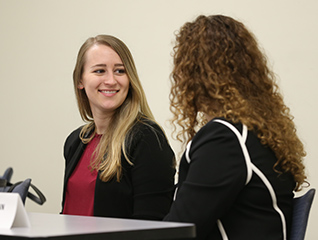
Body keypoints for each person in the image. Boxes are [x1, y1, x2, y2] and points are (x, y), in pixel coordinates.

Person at [164, 15, 307, 240]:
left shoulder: (225, 139)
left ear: (196, 73)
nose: (178, 76)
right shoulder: (256, 132)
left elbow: (180, 230)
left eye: (182, 66)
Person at [61, 35, 175, 220]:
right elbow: (69, 212)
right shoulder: (76, 141)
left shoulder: (146, 138)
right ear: (80, 81)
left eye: (120, 71)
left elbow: (151, 226)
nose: (111, 80)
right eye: (99, 71)